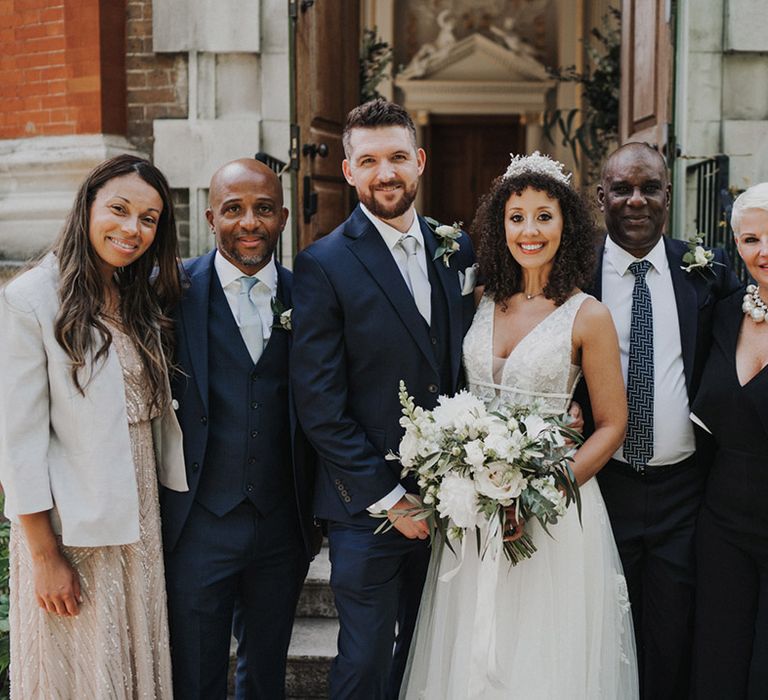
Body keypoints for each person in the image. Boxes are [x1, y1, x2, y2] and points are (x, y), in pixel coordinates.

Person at [401, 151, 636, 699]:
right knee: (470, 652)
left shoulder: (588, 315)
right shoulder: (481, 300)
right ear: (499, 224)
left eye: (544, 216)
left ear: (567, 224)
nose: (529, 230)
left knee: (543, 656)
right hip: (472, 512)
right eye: (516, 216)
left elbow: (611, 425)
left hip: (553, 515)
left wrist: (544, 492)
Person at [291, 99, 476, 699]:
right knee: (366, 661)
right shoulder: (323, 264)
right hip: (365, 509)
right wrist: (389, 497)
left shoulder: (459, 250)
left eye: (397, 157)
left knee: (429, 654)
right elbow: (318, 401)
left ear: (419, 162)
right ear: (348, 172)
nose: (385, 173)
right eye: (368, 160)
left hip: (454, 500)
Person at [0, 154, 187, 698]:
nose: (132, 229)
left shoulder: (136, 295)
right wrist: (44, 556)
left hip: (139, 519)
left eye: (148, 219)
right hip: (72, 527)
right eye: (120, 210)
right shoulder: (31, 298)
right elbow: (17, 441)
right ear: (87, 207)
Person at [587, 142, 740, 699]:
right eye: (622, 189)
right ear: (600, 196)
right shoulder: (573, 273)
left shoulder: (708, 274)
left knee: (674, 632)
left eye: (649, 188)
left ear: (668, 196)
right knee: (605, 632)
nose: (636, 201)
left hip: (684, 490)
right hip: (603, 490)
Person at [161, 157, 316, 699]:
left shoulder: (310, 298)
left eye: (264, 209)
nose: (249, 222)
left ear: (284, 217)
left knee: (266, 672)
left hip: (282, 523)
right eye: (234, 209)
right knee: (196, 675)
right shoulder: (170, 292)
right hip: (199, 521)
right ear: (210, 217)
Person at [690, 182, 768, 698]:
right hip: (722, 522)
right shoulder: (722, 313)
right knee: (719, 658)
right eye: (750, 239)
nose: (763, 251)